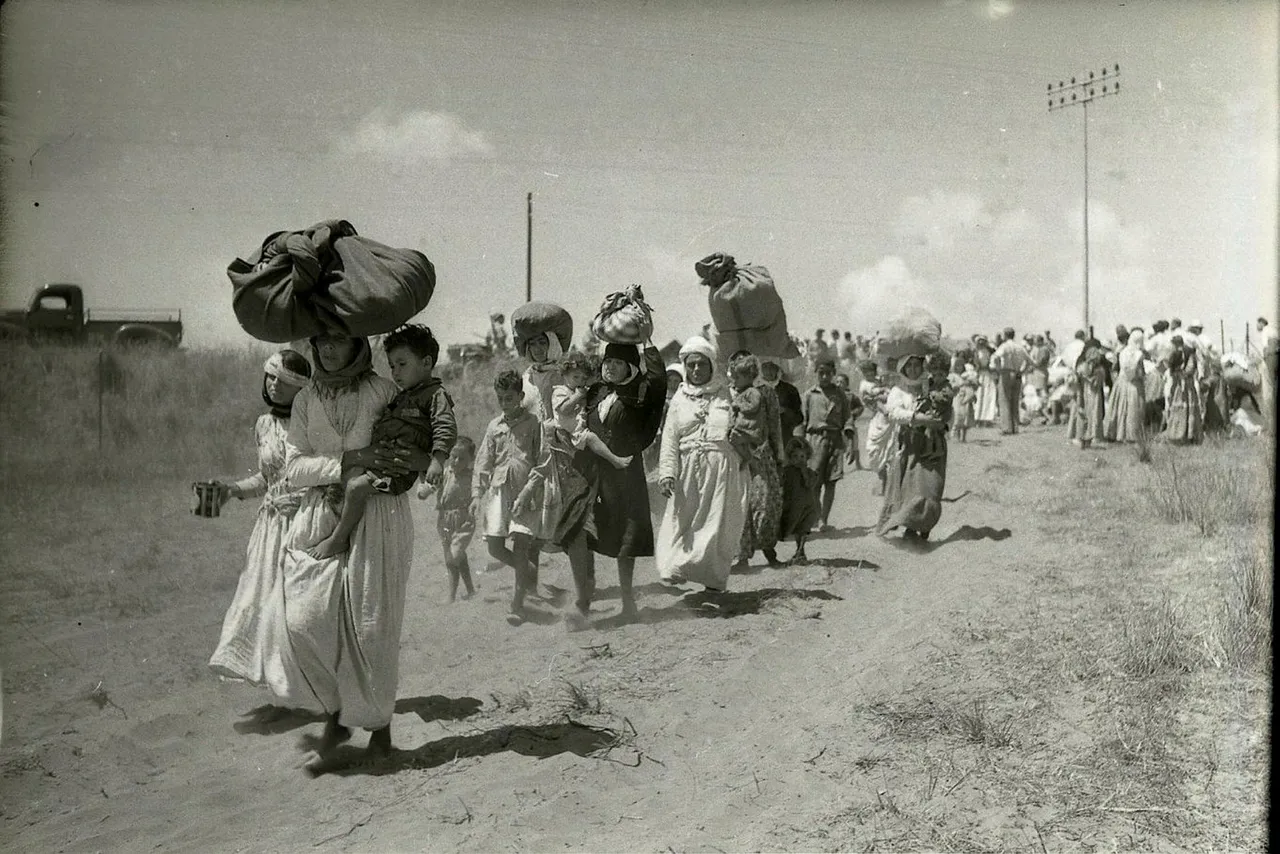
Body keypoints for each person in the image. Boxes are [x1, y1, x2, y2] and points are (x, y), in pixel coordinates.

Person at [283, 333, 431, 768]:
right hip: (318, 514)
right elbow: (293, 467)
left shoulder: (383, 390)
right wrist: (348, 463)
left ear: (358, 344)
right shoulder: (306, 398)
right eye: (321, 340)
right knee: (306, 621)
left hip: (379, 515)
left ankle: (379, 731)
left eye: (339, 340)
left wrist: (369, 468)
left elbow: (412, 450)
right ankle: (336, 713)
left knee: (371, 627)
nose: (328, 349)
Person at [208, 349, 313, 691]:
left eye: (283, 381)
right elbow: (267, 480)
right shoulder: (263, 424)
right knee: (258, 597)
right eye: (270, 377)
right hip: (269, 527)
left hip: (303, 522)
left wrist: (301, 502)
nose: (274, 385)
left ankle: (308, 685)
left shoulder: (311, 424)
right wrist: (231, 490)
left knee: (297, 606)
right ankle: (274, 679)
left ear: (300, 388)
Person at [307, 325, 455, 560]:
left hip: (395, 471)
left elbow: (444, 427)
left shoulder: (435, 395)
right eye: (392, 366)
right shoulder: (406, 394)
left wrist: (436, 460)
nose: (396, 372)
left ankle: (339, 538)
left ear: (426, 363)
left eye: (402, 364)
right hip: (388, 460)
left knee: (355, 488)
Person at [563, 341, 666, 625]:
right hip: (590, 472)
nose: (609, 367)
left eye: (617, 363)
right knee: (578, 529)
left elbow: (659, 383)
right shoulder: (595, 391)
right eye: (607, 362)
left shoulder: (640, 394)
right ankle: (583, 598)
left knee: (625, 537)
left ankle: (627, 602)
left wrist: (648, 345)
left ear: (630, 367)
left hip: (623, 474)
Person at [657, 336, 748, 603]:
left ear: (711, 366)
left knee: (715, 528)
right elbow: (670, 440)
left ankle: (714, 585)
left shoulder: (728, 393)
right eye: (691, 365)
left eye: (701, 365)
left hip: (721, 471)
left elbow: (746, 422)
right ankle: (677, 569)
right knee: (681, 523)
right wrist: (667, 473)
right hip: (687, 471)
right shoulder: (678, 400)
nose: (696, 370)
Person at [473, 370, 543, 625]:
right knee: (494, 546)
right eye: (501, 398)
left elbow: (541, 460)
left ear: (521, 396)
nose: (505, 403)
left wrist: (532, 488)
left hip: (526, 492)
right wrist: (476, 495)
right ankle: (526, 568)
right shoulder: (494, 426)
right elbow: (483, 461)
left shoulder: (533, 423)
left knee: (521, 545)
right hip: (499, 492)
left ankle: (517, 605)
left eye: (510, 397)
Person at [876, 354, 949, 541]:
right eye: (909, 366)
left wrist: (941, 422)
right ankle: (911, 527)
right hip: (911, 444)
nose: (914, 370)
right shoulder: (899, 390)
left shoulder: (932, 385)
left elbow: (948, 409)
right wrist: (919, 418)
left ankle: (925, 525)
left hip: (934, 444)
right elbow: (894, 413)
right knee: (913, 488)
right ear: (903, 368)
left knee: (932, 488)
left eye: (917, 365)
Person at [729, 352, 786, 570]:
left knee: (766, 502)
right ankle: (742, 557)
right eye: (734, 374)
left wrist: (778, 454)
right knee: (742, 504)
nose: (735, 379)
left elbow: (774, 424)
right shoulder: (732, 394)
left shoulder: (766, 392)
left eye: (740, 374)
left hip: (762, 455)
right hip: (738, 457)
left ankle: (769, 552)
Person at [418, 436, 477, 602]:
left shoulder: (472, 477)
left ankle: (450, 596)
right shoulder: (445, 472)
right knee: (455, 555)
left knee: (452, 557)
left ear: (471, 459)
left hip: (464, 520)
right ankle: (471, 590)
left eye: (462, 458)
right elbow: (432, 485)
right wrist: (424, 491)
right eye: (454, 457)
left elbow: (479, 491)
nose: (457, 461)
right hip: (444, 519)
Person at [801, 358, 850, 532]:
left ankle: (823, 519)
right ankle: (816, 513)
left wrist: (848, 433)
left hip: (835, 440)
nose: (824, 376)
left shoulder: (839, 394)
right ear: (816, 373)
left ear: (833, 374)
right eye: (820, 372)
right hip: (815, 441)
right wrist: (801, 443)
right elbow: (803, 420)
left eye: (828, 373)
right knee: (815, 481)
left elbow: (847, 417)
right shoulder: (809, 394)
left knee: (831, 481)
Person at [777, 437, 820, 564]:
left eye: (802, 456)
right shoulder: (787, 471)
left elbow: (810, 484)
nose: (799, 460)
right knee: (794, 529)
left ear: (807, 457)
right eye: (795, 456)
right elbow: (781, 484)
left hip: (807, 505)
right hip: (793, 506)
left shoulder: (810, 472)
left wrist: (804, 472)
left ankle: (801, 551)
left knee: (803, 529)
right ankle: (799, 551)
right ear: (790, 457)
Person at [1103, 329, 1147, 443]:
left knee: (1120, 408)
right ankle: (1131, 435)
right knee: (1133, 410)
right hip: (1134, 384)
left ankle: (1117, 433)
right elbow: (1139, 371)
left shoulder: (1123, 351)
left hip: (1121, 382)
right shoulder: (1138, 354)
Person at [1067, 337, 1110, 449]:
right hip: (1091, 392)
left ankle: (1078, 436)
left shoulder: (1080, 362)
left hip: (1081, 391)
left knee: (1081, 415)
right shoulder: (1098, 366)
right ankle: (1093, 435)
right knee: (1093, 413)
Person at [859, 361, 893, 496]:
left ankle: (888, 482)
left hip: (887, 416)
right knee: (874, 449)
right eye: (866, 372)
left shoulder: (879, 380)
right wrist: (883, 391)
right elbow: (872, 394)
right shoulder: (865, 384)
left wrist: (885, 390)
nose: (869, 374)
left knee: (889, 449)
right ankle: (882, 477)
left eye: (871, 371)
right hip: (877, 417)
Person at [1163, 336, 1203, 444]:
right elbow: (1190, 369)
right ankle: (1189, 434)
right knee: (1188, 408)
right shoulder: (1189, 354)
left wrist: (1178, 374)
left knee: (1179, 406)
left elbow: (1172, 368)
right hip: (1187, 384)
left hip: (1179, 384)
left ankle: (1178, 434)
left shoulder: (1178, 353)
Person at [992, 328, 1029, 435]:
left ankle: (1006, 428)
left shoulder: (1004, 346)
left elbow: (995, 357)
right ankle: (1015, 427)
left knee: (1004, 400)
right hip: (1017, 373)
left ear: (1005, 335)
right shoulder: (1019, 347)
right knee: (1015, 401)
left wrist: (998, 369)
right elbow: (1029, 361)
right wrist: (1022, 371)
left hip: (1006, 373)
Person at [761, 359, 803, 441]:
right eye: (765, 367)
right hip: (764, 439)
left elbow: (799, 418)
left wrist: (785, 411)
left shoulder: (790, 390)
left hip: (785, 436)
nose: (769, 371)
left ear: (777, 369)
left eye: (771, 368)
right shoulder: (757, 391)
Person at [972, 335, 998, 426]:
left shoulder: (988, 352)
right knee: (979, 395)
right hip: (980, 374)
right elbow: (976, 364)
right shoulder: (976, 352)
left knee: (988, 395)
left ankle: (987, 418)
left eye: (983, 341)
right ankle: (977, 418)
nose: (981, 343)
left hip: (988, 375)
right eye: (979, 341)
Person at [951, 372, 977, 443]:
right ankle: (958, 437)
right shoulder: (960, 388)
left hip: (967, 407)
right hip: (960, 406)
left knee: (965, 423)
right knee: (959, 421)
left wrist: (972, 399)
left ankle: (963, 437)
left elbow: (972, 396)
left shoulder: (970, 389)